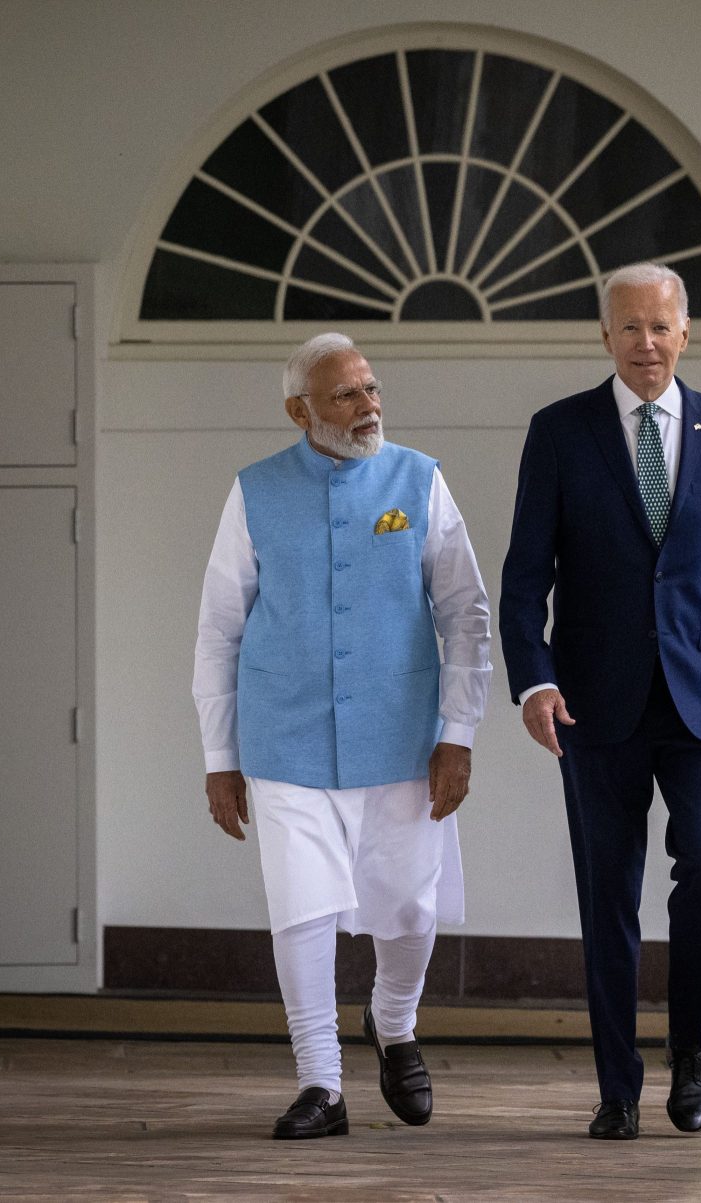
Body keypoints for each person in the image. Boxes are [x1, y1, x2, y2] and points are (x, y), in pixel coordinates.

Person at [499, 262, 701, 1140]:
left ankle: (692, 1053)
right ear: (605, 336)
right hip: (595, 703)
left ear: (686, 332)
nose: (646, 343)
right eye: (629, 328)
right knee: (607, 892)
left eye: (660, 327)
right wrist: (535, 678)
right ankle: (616, 1084)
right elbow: (524, 579)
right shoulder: (560, 432)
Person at [193, 333, 491, 1140]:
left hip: (402, 735)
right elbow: (219, 628)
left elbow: (466, 611)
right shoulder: (254, 491)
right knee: (301, 909)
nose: (369, 407)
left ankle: (394, 1023)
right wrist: (221, 758)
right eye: (346, 396)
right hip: (284, 738)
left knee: (409, 911)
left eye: (371, 388)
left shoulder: (418, 480)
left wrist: (458, 732)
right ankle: (320, 1082)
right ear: (300, 411)